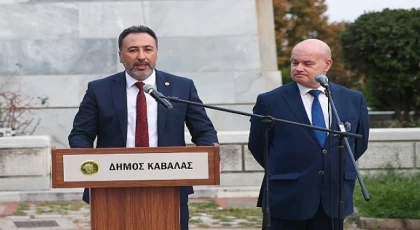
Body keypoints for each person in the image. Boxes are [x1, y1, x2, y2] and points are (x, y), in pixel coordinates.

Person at [68, 25, 218, 230]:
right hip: (112, 188)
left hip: (169, 186)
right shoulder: (99, 89)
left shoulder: (181, 87)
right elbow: (80, 134)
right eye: (133, 50)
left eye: (148, 49)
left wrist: (210, 152)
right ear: (120, 55)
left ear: (156, 53)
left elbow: (203, 131)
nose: (141, 56)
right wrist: (86, 165)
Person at [248, 39, 369, 230]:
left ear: (327, 64)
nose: (299, 68)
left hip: (333, 198)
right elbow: (258, 145)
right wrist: (289, 171)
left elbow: (358, 144)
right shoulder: (270, 101)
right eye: (294, 62)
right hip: (287, 197)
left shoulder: (352, 99)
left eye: (307, 63)